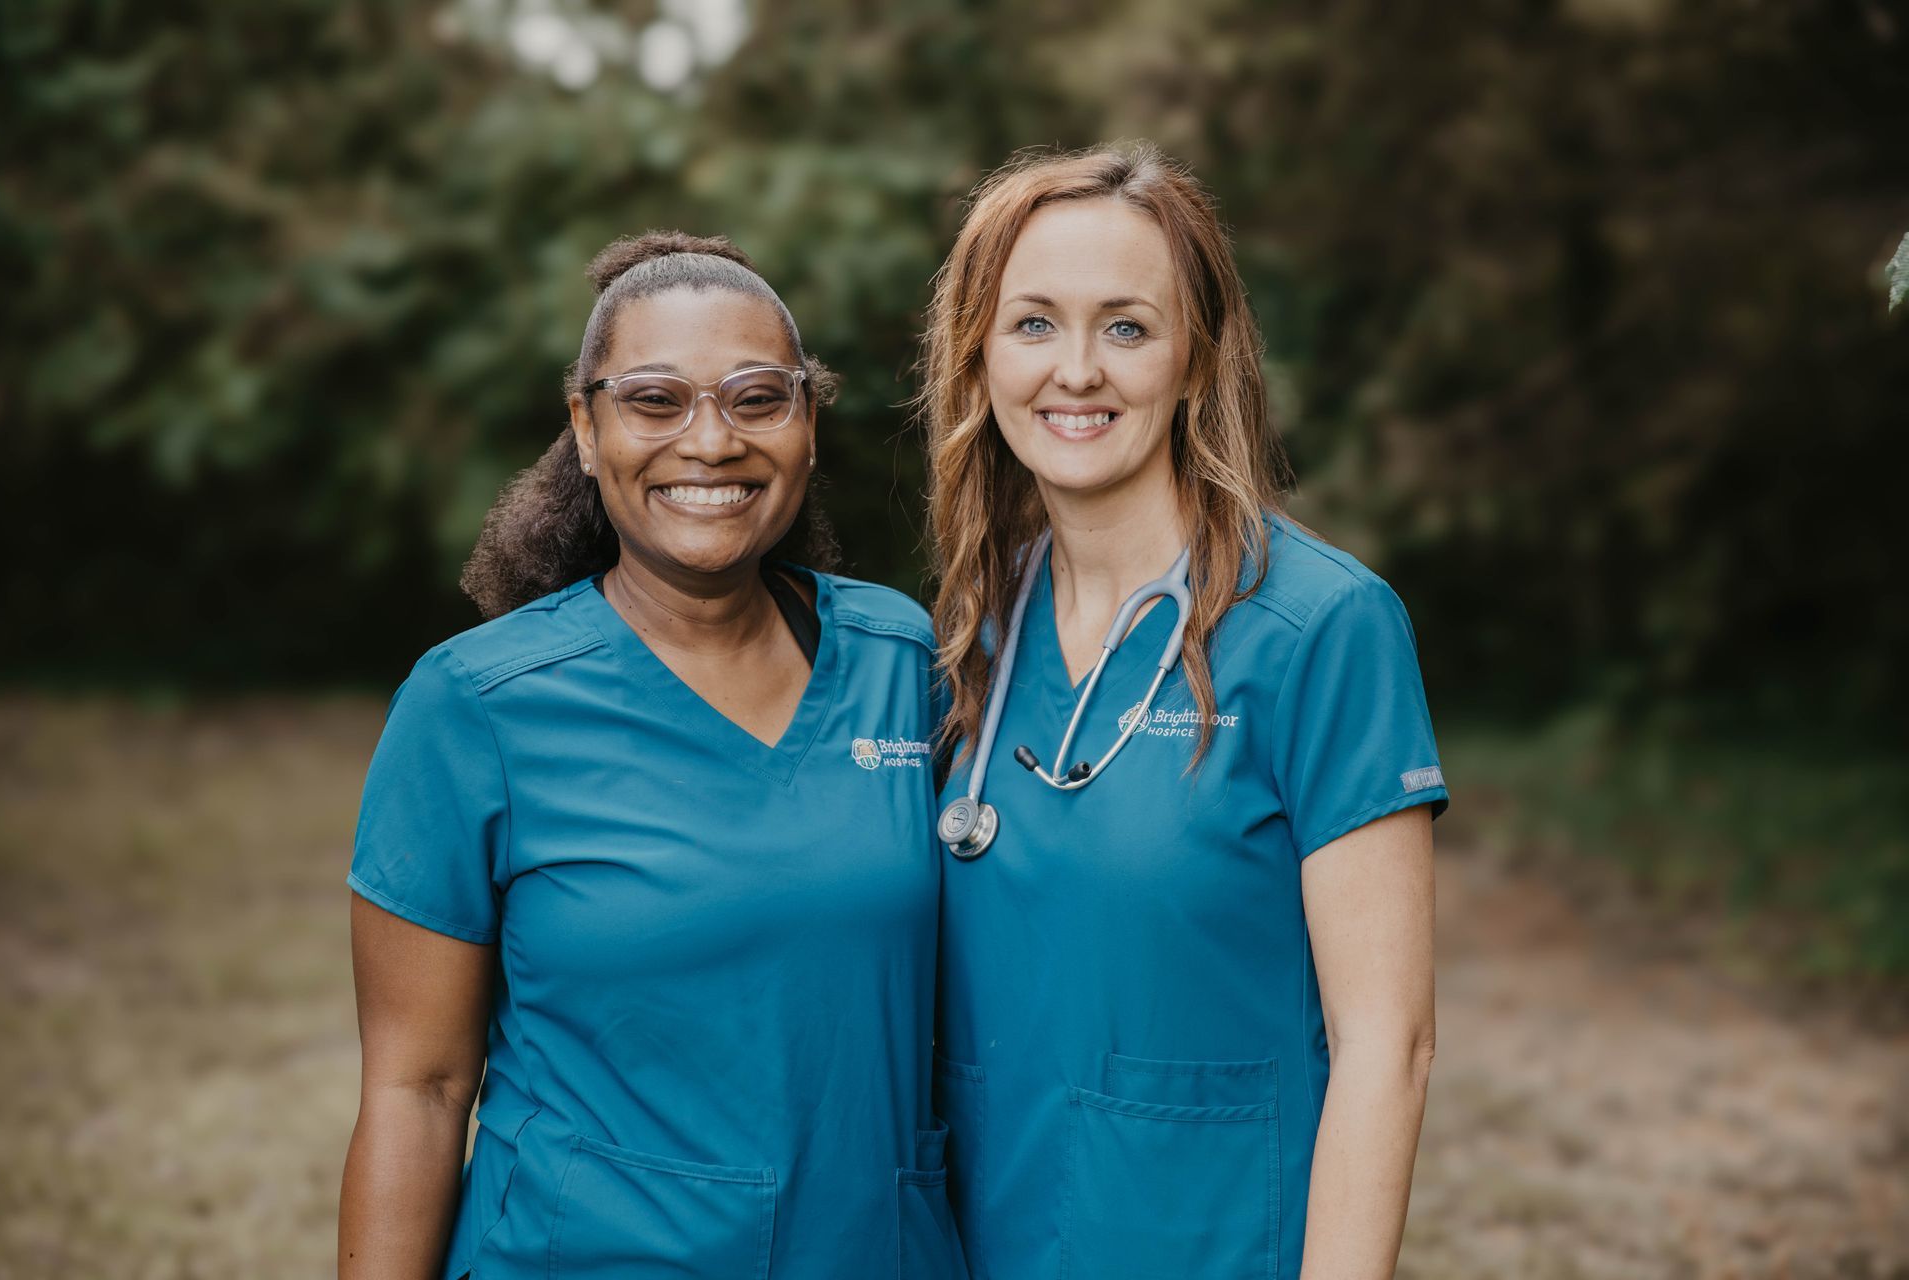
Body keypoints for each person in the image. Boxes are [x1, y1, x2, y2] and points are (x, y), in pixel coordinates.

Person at [338, 231, 965, 1279]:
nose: (711, 440)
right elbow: (420, 1087)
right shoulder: (477, 707)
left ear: (809, 423)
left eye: (758, 398)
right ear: (585, 427)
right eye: (655, 400)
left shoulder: (903, 660)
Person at [922, 145, 1449, 1279]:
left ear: (1195, 359)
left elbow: (1386, 1045)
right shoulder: (970, 634)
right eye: (1032, 324)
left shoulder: (1322, 629)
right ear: (977, 355)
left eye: (1125, 326)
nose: (1076, 370)